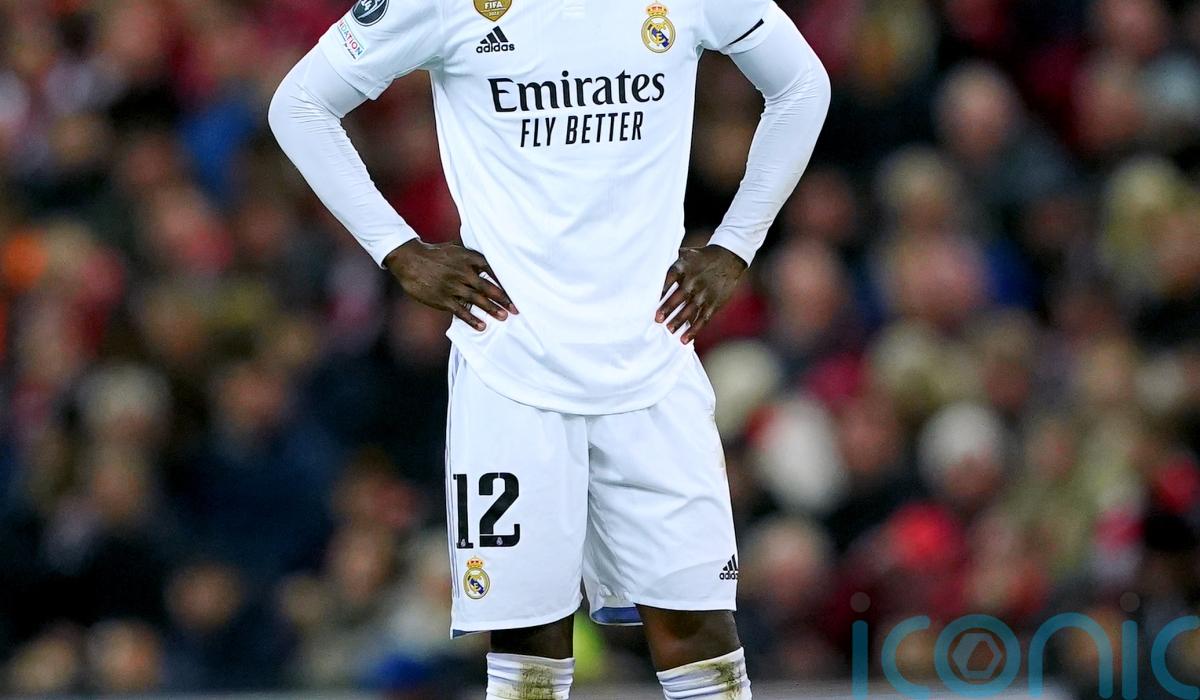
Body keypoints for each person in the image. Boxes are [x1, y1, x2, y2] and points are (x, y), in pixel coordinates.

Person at [269, 0, 829, 696]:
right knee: (529, 642)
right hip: (511, 371)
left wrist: (736, 244)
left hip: (654, 360)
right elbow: (299, 105)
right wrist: (399, 250)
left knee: (698, 629)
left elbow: (803, 84)